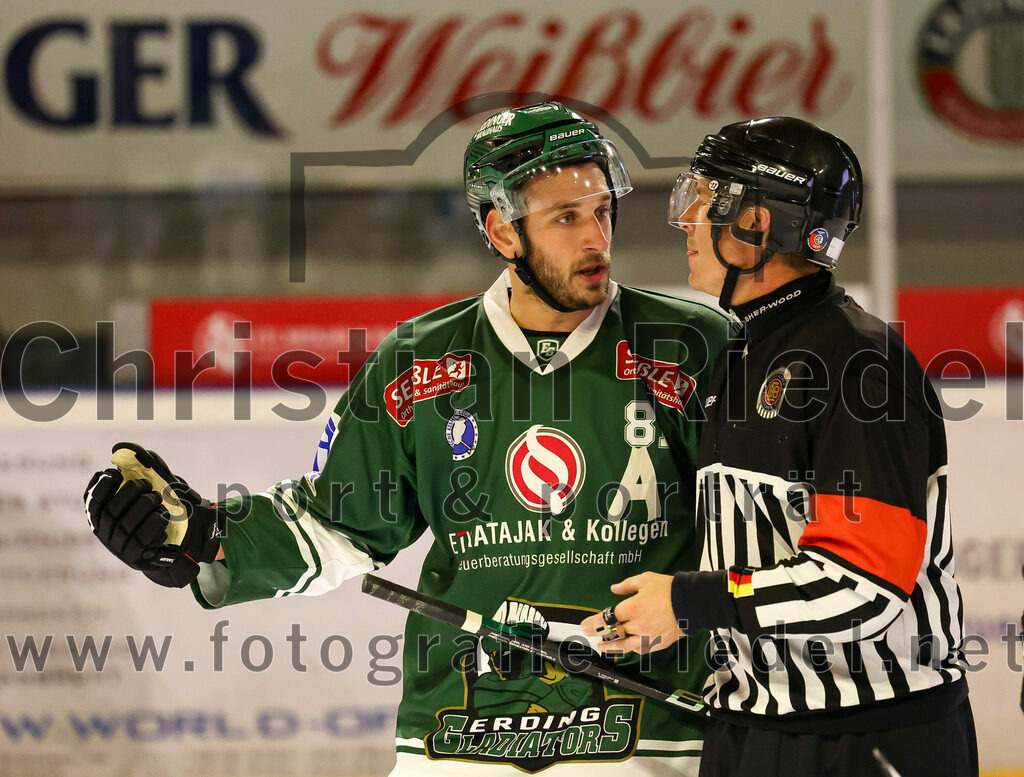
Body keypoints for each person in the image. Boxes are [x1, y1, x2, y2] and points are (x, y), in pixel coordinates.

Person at [84, 102, 732, 776]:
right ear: (502, 232)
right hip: (460, 741)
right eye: (566, 217)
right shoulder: (418, 364)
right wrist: (206, 536)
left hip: (647, 739)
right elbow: (336, 521)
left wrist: (695, 602)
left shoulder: (691, 345)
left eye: (602, 209)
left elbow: (762, 533)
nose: (596, 237)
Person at [581, 117, 978, 777]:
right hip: (752, 729)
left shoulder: (858, 364)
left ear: (756, 224)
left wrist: (688, 601)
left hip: (868, 737)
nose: (685, 222)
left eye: (703, 201)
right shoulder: (743, 351)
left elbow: (865, 584)